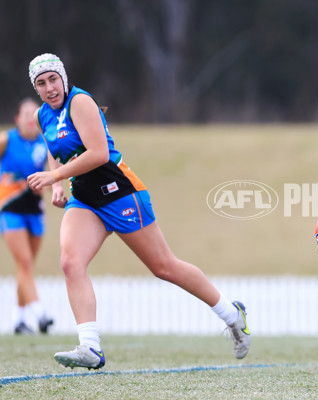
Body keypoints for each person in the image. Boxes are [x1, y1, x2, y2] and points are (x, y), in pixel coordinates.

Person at [26, 53, 250, 370]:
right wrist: (59, 185)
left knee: (164, 267)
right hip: (85, 199)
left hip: (119, 192)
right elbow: (55, 150)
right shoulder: (42, 115)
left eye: (52, 79)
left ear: (63, 77)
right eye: (41, 83)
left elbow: (99, 153)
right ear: (36, 88)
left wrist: (55, 177)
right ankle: (90, 347)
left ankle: (231, 314)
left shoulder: (80, 102)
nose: (49, 88)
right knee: (70, 262)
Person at [0, 98, 54, 335]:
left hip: (34, 210)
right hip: (10, 210)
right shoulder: (6, 139)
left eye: (35, 114)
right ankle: (40, 314)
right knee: (24, 262)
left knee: (26, 267)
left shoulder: (45, 144)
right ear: (17, 119)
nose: (30, 118)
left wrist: (55, 190)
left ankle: (19, 320)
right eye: (26, 114)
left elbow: (52, 174)